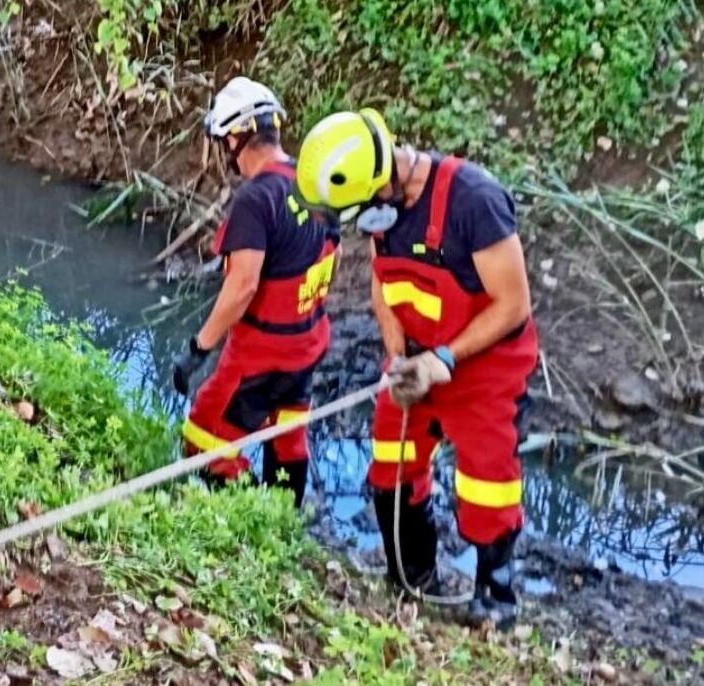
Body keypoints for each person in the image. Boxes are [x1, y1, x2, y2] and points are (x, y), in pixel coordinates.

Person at [292, 109, 539, 626]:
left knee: (486, 488)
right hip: (416, 363)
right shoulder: (383, 208)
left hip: (483, 367)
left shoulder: (473, 201)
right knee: (390, 469)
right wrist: (399, 356)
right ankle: (412, 579)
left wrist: (444, 359)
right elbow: (385, 285)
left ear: (383, 179)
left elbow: (512, 304)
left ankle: (495, 600)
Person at [172, 77, 341, 508]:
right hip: (308, 342)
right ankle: (283, 520)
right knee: (286, 435)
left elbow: (244, 284)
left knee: (204, 436)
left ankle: (243, 522)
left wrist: (199, 347)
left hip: (261, 352)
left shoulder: (255, 199)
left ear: (234, 136)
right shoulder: (315, 184)